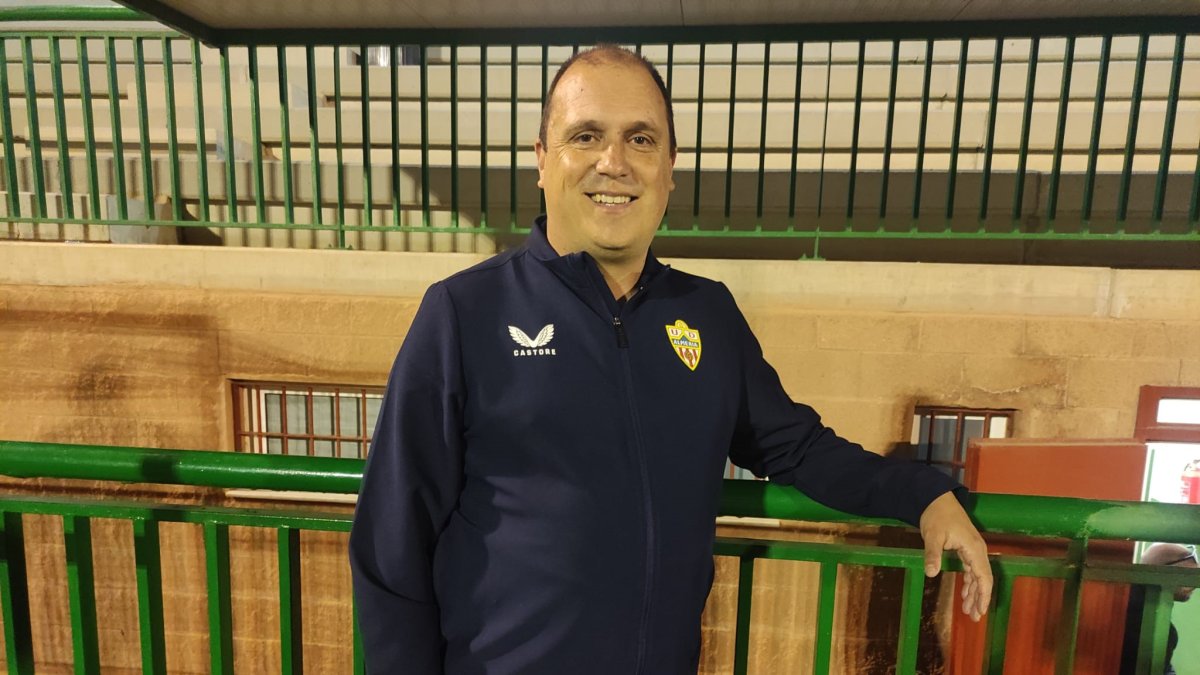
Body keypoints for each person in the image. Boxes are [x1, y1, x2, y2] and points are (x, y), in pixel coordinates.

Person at [349, 44, 992, 674]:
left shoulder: (707, 314)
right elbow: (391, 545)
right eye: (585, 136)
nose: (614, 162)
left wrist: (926, 495)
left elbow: (797, 446)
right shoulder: (464, 313)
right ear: (543, 162)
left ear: (670, 169)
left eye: (641, 139)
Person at [1120, 543, 1199, 675]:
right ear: (1165, 572)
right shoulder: (1152, 626)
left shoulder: (1127, 600)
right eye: (1190, 574)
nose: (1194, 585)